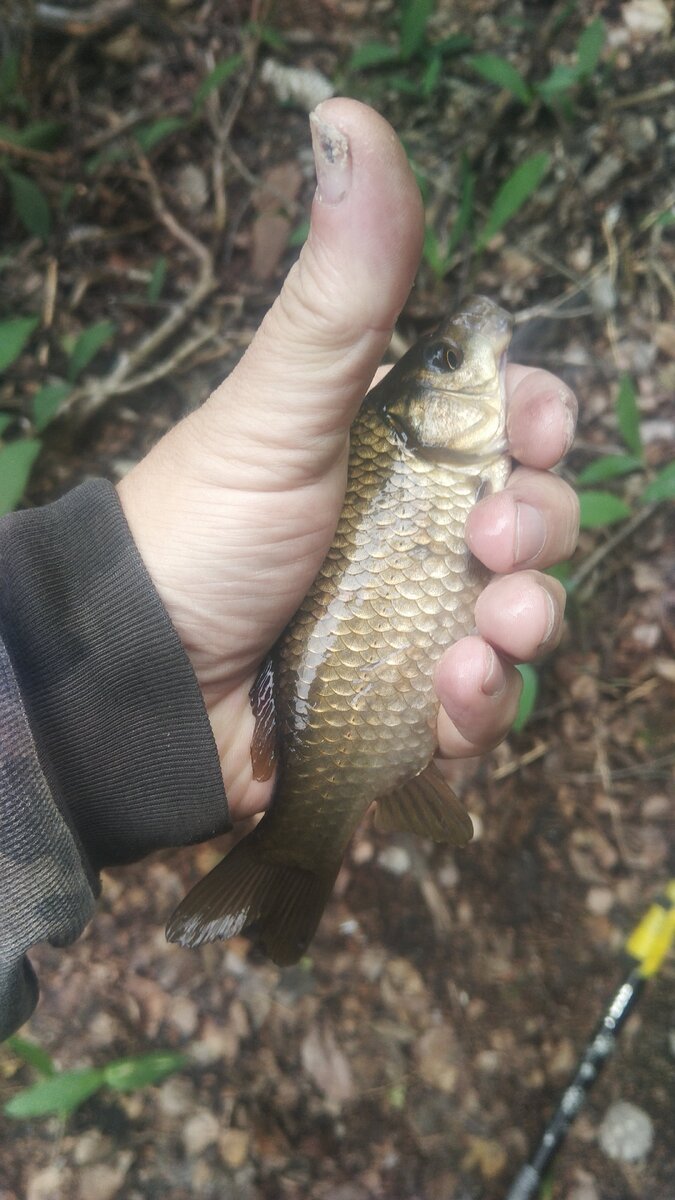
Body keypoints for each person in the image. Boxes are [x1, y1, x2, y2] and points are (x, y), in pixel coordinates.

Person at [0, 100, 579, 1041]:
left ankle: (295, 857)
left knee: (485, 642)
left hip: (301, 700)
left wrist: (96, 696)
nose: (473, 349)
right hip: (295, 699)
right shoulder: (418, 454)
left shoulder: (439, 459)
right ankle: (294, 857)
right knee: (479, 649)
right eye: (447, 360)